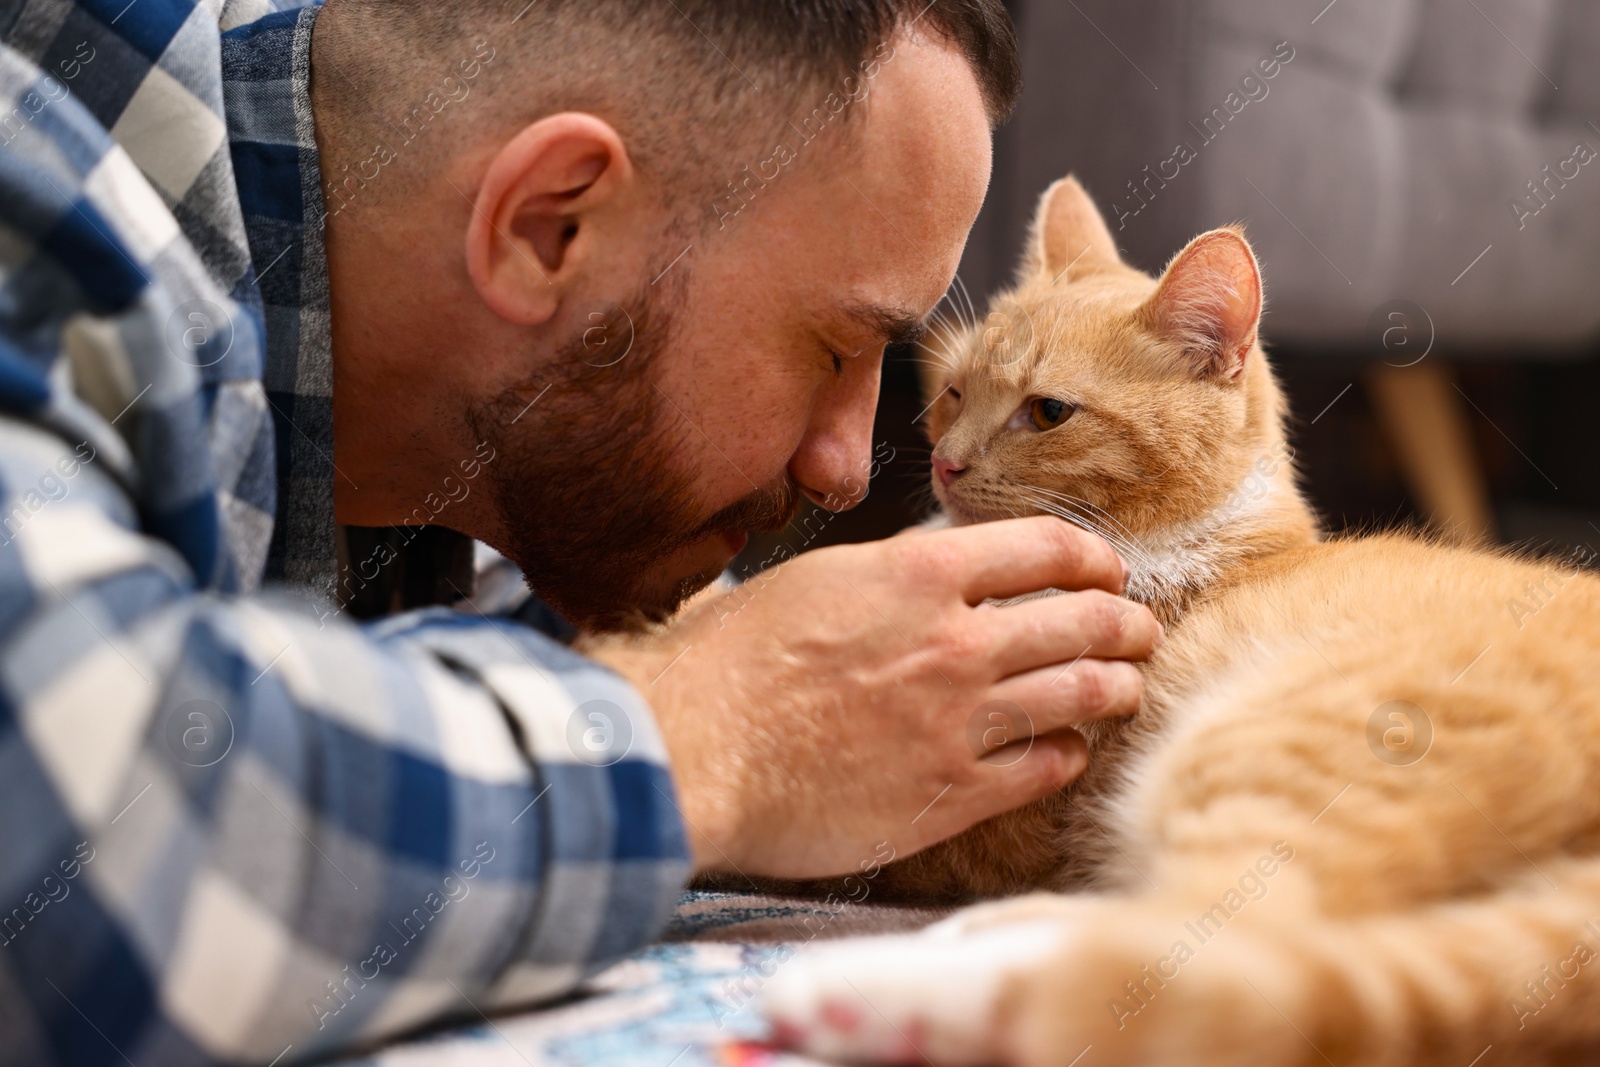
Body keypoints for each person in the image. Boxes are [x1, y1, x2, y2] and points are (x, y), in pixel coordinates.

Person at [0, 0, 1161, 1062]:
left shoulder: (466, 457)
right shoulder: (35, 198)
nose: (848, 468)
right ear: (549, 227)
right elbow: (78, 852)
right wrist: (724, 727)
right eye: (833, 349)